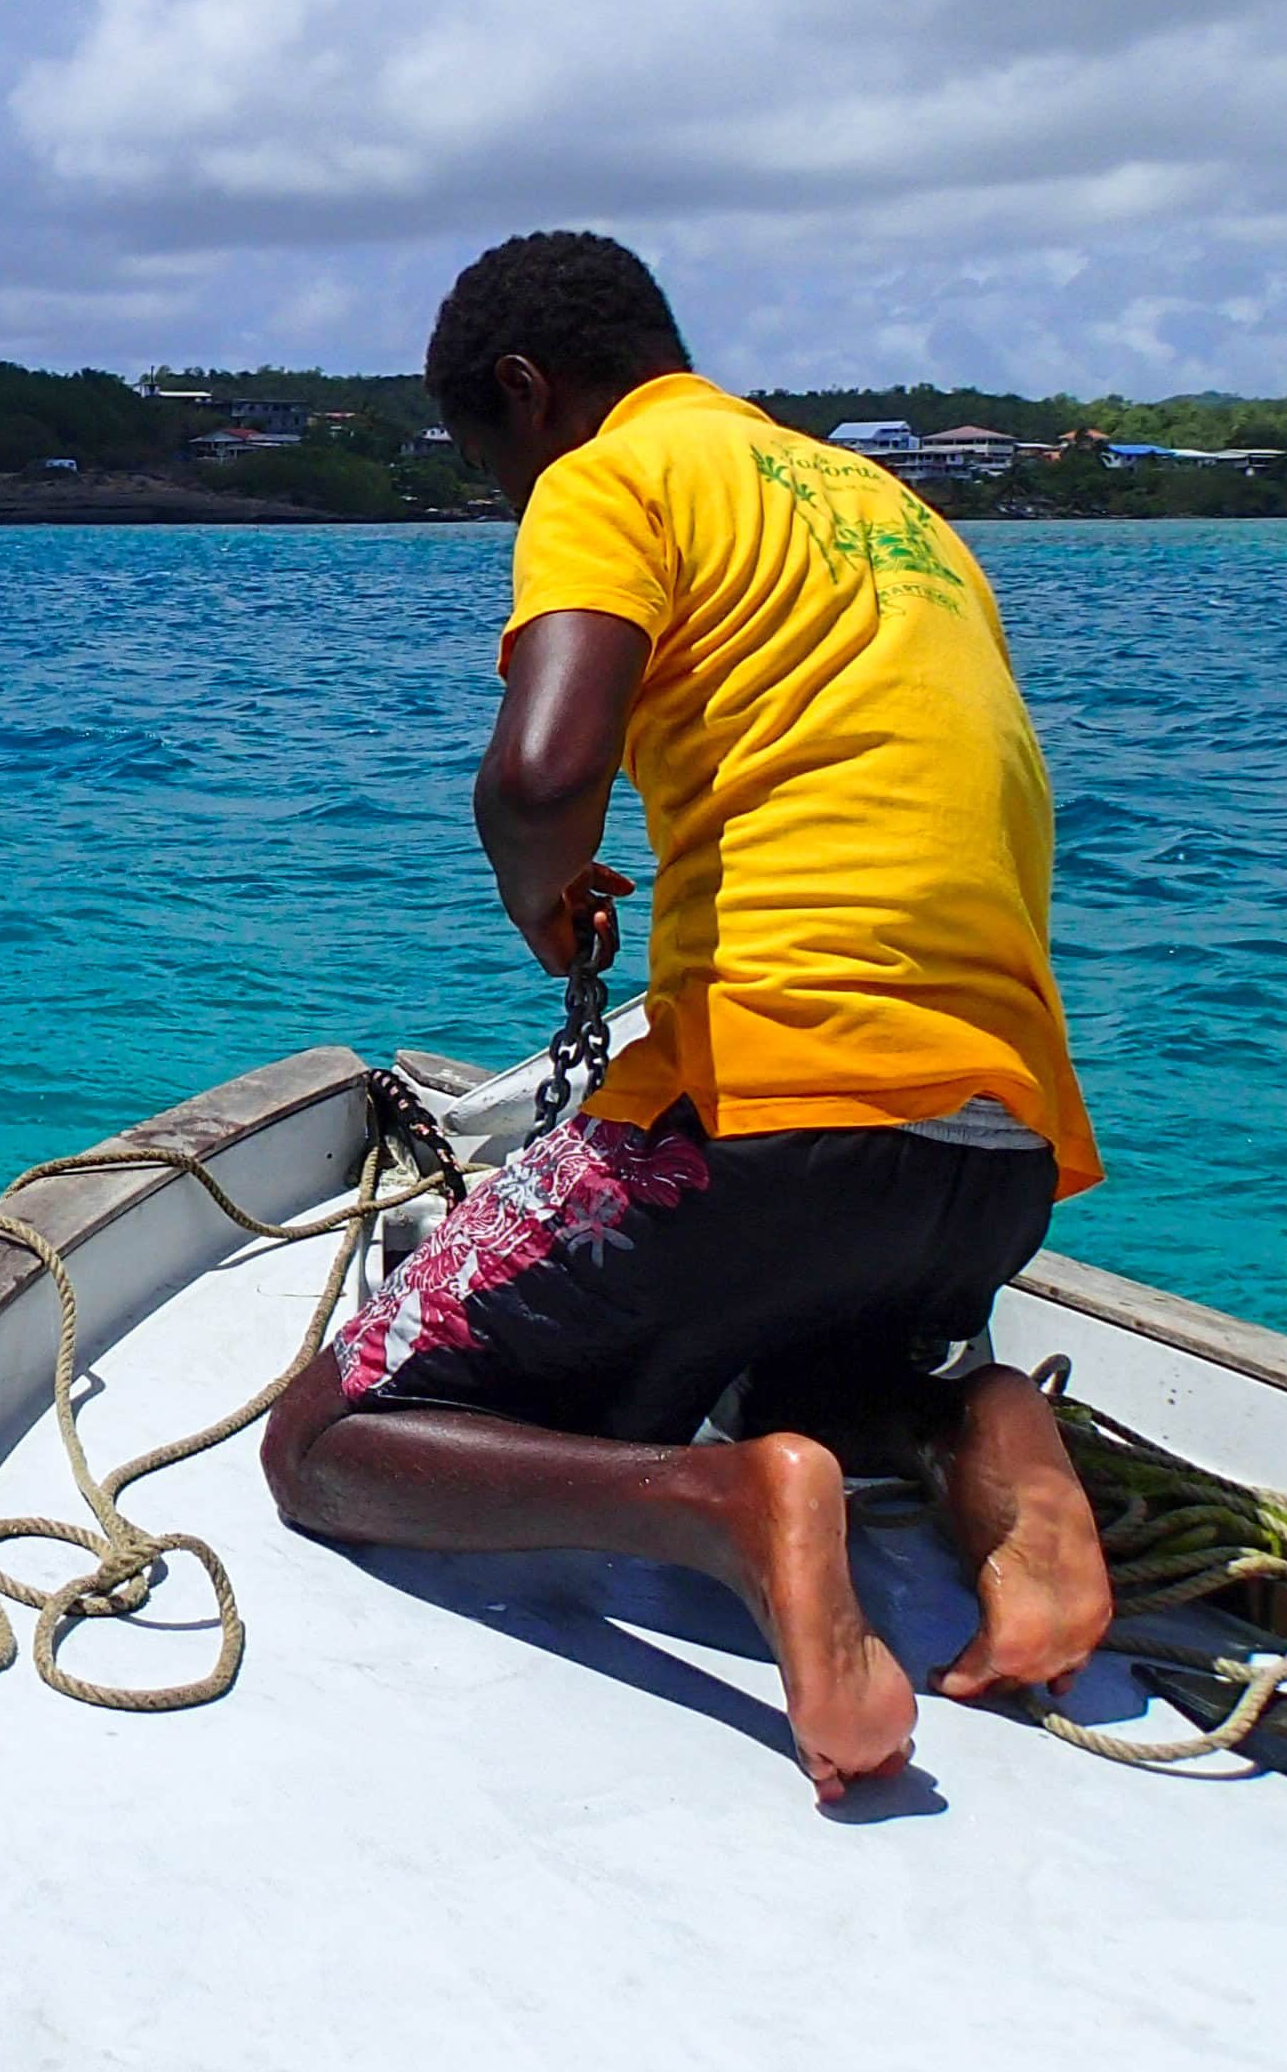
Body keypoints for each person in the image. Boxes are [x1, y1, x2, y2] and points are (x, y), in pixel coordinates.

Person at [259, 230, 1116, 1803]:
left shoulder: (614, 475)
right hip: (990, 1162)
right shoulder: (896, 511)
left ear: (529, 393)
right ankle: (968, 1428)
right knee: (786, 1351)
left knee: (330, 1437)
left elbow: (537, 776)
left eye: (492, 461)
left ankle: (729, 1511)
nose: (514, 500)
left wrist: (543, 887)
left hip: (771, 1122)